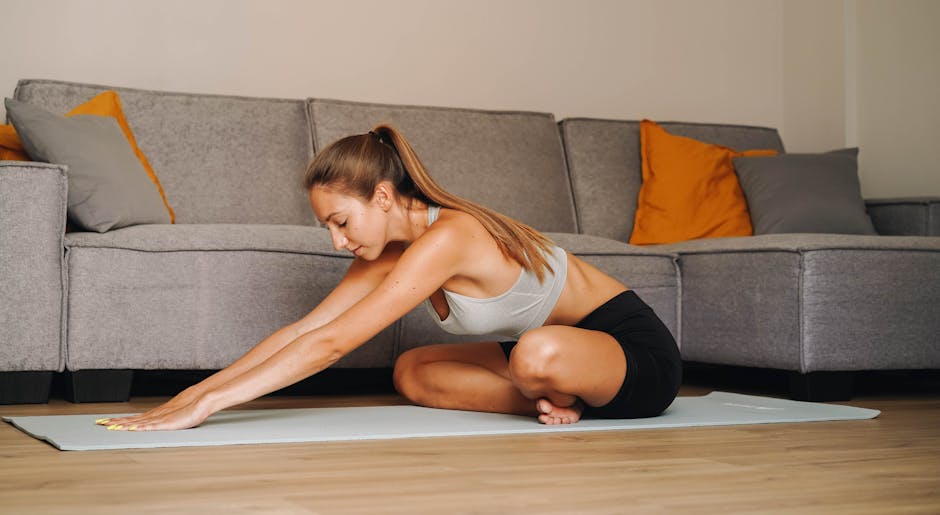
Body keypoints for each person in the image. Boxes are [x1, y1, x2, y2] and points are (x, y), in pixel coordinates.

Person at [98, 125, 681, 432]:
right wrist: (193, 393)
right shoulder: (384, 247)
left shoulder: (449, 237)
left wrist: (211, 408)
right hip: (546, 358)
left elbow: (330, 347)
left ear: (382, 196)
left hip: (631, 354)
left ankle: (558, 390)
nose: (336, 240)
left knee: (536, 352)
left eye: (341, 221)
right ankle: (553, 403)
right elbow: (309, 328)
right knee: (412, 370)